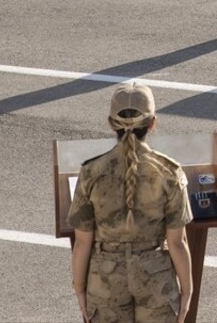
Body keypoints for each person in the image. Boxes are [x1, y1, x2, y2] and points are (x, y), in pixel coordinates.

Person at [68, 83, 193, 323]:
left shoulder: (91, 172)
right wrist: (187, 290)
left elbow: (82, 243)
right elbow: (177, 242)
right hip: (155, 274)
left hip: (105, 278)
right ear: (152, 123)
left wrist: (80, 288)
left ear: (111, 123)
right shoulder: (169, 172)